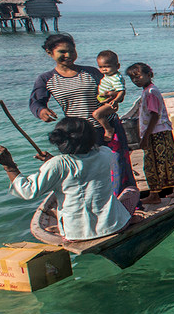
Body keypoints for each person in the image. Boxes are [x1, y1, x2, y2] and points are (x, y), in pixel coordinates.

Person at [30, 33, 136, 193]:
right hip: (77, 135)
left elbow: (116, 91)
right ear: (49, 53)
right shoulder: (47, 79)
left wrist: (114, 98)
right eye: (62, 52)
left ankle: (127, 207)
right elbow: (36, 102)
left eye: (72, 51)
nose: (68, 55)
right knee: (86, 173)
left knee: (117, 167)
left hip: (105, 128)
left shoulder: (92, 73)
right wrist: (41, 111)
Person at [2, 118, 135, 241]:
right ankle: (131, 219)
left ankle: (61, 227)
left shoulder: (58, 164)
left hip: (74, 234)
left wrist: (9, 165)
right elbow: (82, 166)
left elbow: (28, 191)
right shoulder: (105, 153)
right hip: (113, 227)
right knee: (132, 191)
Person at [126, 63, 174, 204]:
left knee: (152, 164)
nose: (136, 80)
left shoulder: (150, 92)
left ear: (149, 75)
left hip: (156, 133)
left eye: (138, 76)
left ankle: (154, 195)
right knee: (169, 160)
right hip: (163, 131)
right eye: (133, 78)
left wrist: (145, 137)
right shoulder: (150, 90)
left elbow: (154, 115)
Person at [91, 50, 126, 141]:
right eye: (101, 67)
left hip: (111, 104)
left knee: (97, 114)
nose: (104, 69)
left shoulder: (115, 78)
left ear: (117, 66)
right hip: (107, 101)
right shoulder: (108, 76)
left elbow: (121, 91)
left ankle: (108, 129)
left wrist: (115, 100)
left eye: (107, 67)